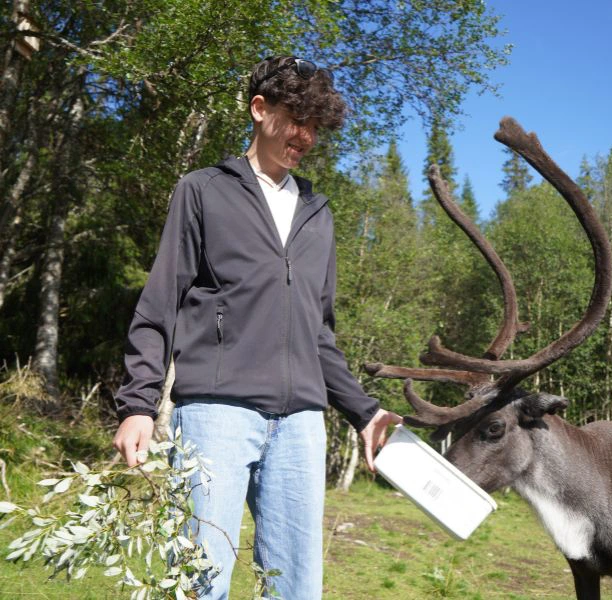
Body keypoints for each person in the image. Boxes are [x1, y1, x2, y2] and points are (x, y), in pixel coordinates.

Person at [112, 55, 402, 599]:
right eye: (296, 119)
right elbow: (159, 305)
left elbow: (319, 332)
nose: (306, 136)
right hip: (215, 415)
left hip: (300, 428)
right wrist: (138, 404)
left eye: (316, 126)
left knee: (296, 588)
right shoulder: (202, 190)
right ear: (259, 108)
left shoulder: (318, 211)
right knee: (200, 582)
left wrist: (364, 413)